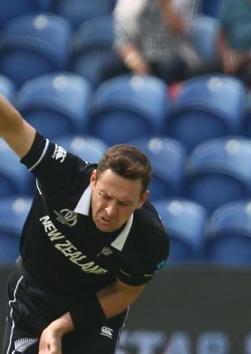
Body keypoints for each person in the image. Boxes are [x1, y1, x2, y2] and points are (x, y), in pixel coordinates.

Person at [0, 94, 169, 353]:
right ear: (93, 180)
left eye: (124, 203)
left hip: (93, 312)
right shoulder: (63, 177)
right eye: (105, 196)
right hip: (33, 296)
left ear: (141, 200)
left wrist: (60, 326)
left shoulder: (150, 240)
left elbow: (125, 292)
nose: (110, 211)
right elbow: (12, 125)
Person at [100, 0, 200, 85]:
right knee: (109, 70)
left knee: (169, 68)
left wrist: (165, 5)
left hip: (174, 55)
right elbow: (122, 39)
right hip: (140, 55)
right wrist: (136, 62)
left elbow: (182, 32)